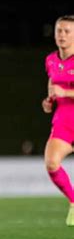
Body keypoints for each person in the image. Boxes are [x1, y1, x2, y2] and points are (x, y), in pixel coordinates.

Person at [42, 15, 74, 226]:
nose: (61, 35)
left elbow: (62, 87)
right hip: (64, 121)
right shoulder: (51, 60)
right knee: (51, 163)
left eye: (67, 31)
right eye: (59, 31)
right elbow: (52, 81)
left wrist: (66, 92)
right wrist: (50, 99)